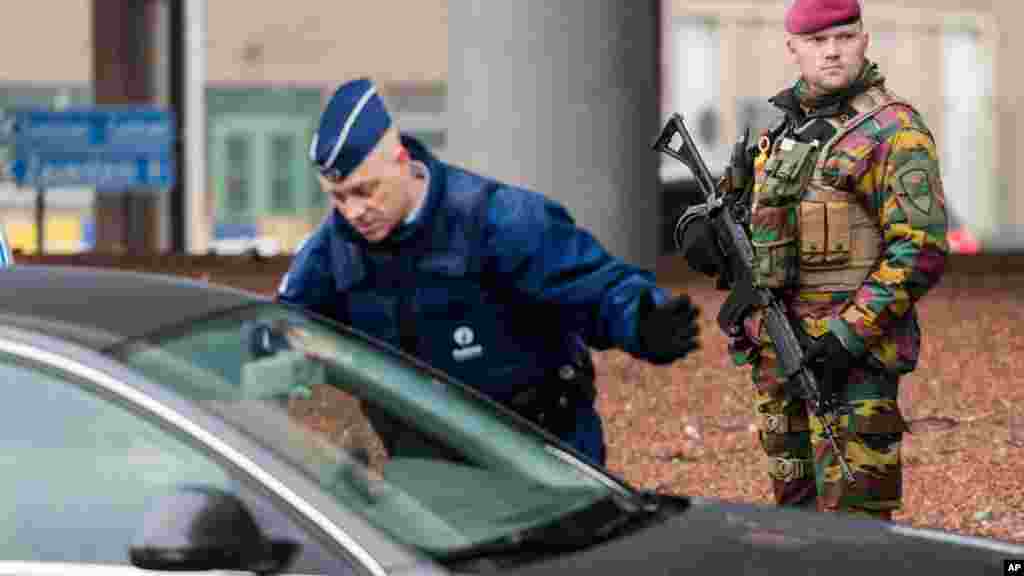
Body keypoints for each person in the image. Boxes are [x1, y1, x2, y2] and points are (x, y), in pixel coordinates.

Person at [277, 77, 701, 466]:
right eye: (338, 198)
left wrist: (644, 321)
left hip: (544, 450)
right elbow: (280, 334)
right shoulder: (330, 255)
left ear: (400, 160)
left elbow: (600, 290)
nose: (353, 212)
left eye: (364, 191)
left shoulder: (498, 219)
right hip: (429, 469)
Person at [678, 0, 948, 519]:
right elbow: (739, 218)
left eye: (844, 37)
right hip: (777, 357)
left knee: (855, 530)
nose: (832, 52)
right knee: (792, 522)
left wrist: (847, 336)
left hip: (851, 366)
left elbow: (919, 248)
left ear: (864, 40)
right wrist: (704, 237)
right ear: (794, 49)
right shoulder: (780, 134)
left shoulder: (893, 130)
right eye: (818, 41)